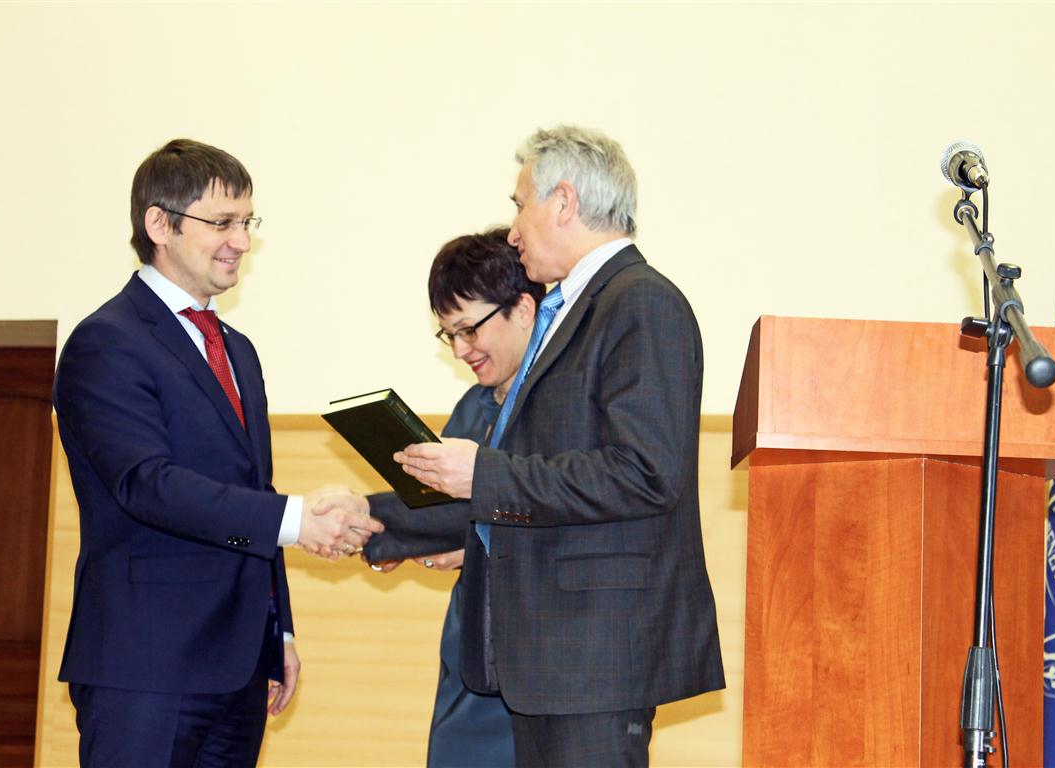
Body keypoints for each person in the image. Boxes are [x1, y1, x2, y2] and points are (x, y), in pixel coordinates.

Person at [392, 126, 726, 767]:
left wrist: (483, 475)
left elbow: (645, 472)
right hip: (550, 657)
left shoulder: (641, 302)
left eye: (521, 205)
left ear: (564, 202)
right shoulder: (572, 311)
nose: (514, 231)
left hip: (595, 657)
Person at [53, 138, 381, 767]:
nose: (241, 242)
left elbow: (252, 491)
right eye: (222, 222)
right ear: (159, 224)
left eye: (247, 222)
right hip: (146, 668)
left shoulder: (237, 349)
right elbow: (147, 484)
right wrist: (298, 520)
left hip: (239, 667)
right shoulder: (107, 342)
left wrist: (278, 629)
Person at [363, 229, 544, 767]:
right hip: (472, 654)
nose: (462, 349)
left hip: (543, 663)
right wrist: (395, 535)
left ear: (523, 309)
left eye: (469, 329)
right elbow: (447, 513)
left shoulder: (564, 407)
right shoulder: (473, 405)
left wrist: (478, 540)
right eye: (450, 334)